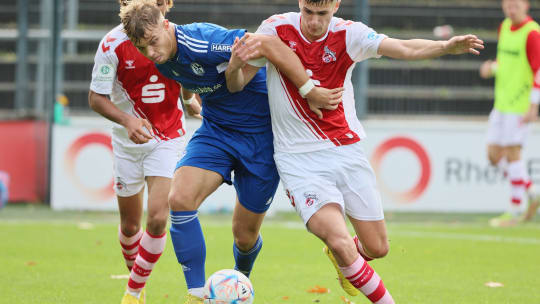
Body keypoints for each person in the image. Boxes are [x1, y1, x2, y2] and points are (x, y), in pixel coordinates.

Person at [226, 0, 484, 302]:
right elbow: (237, 84)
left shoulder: (349, 34)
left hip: (346, 151)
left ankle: (343, 259)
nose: (313, 22)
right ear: (300, 4)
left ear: (336, 6)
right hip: (298, 160)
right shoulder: (277, 28)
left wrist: (443, 47)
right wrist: (233, 67)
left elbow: (402, 48)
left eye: (321, 14)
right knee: (340, 239)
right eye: (308, 12)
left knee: (377, 248)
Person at [119, 1, 342, 303]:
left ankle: (239, 284)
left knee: (245, 236)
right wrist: (187, 99)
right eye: (143, 48)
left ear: (166, 25)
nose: (151, 53)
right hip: (217, 131)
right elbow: (185, 74)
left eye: (153, 43)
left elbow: (269, 45)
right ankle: (196, 295)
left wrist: (308, 90)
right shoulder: (159, 55)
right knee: (180, 199)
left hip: (261, 137)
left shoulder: (206, 40)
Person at [89, 1, 201, 303]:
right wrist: (127, 120)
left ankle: (133, 292)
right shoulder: (112, 44)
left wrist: (189, 100)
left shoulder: (178, 37)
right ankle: (139, 281)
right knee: (129, 226)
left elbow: (187, 77)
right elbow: (95, 98)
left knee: (157, 217)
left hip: (167, 137)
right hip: (127, 142)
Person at [479, 0, 540, 226]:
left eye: (515, 4)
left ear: (526, 5)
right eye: (507, 4)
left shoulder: (533, 33)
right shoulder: (504, 26)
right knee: (493, 155)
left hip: (520, 105)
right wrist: (492, 68)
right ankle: (531, 189)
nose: (510, 8)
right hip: (501, 103)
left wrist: (534, 106)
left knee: (513, 153)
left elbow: (538, 70)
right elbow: (505, 62)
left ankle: (515, 209)